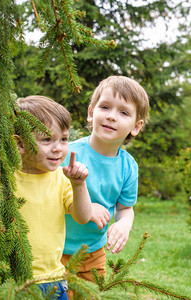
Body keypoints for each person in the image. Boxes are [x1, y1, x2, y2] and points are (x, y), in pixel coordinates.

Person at [61, 75, 150, 283]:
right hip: (55, 247)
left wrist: (124, 225)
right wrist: (86, 208)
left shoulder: (128, 167)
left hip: (93, 252)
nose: (111, 116)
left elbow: (125, 208)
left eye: (123, 112)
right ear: (91, 113)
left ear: (136, 126)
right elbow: (47, 194)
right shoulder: (67, 154)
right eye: (105, 107)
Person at [14, 95, 92, 300]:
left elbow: (83, 216)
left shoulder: (61, 178)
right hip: (15, 281)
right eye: (47, 139)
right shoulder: (5, 178)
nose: (58, 148)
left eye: (64, 139)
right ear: (20, 144)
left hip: (53, 280)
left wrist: (79, 184)